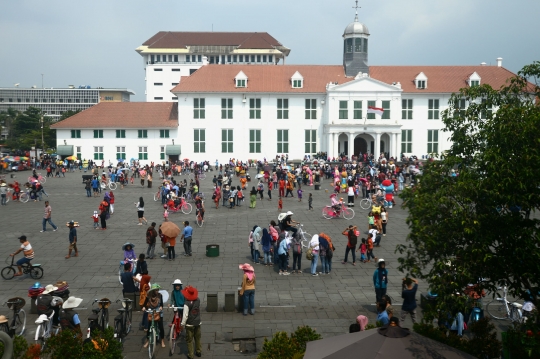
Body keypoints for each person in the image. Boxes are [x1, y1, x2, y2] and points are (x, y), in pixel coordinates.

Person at [181, 286, 202, 359]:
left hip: (190, 324)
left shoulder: (186, 303)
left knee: (189, 340)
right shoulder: (198, 300)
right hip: (198, 322)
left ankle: (191, 355)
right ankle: (198, 352)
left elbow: (185, 315)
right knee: (197, 338)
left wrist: (182, 324)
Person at [142, 284, 166, 348]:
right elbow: (145, 303)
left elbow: (161, 304)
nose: (157, 291)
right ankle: (147, 340)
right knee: (149, 326)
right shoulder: (148, 296)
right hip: (151, 311)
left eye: (158, 290)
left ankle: (162, 340)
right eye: (156, 290)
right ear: (152, 291)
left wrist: (161, 307)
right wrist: (144, 307)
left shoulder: (160, 296)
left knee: (161, 326)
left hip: (158, 311)